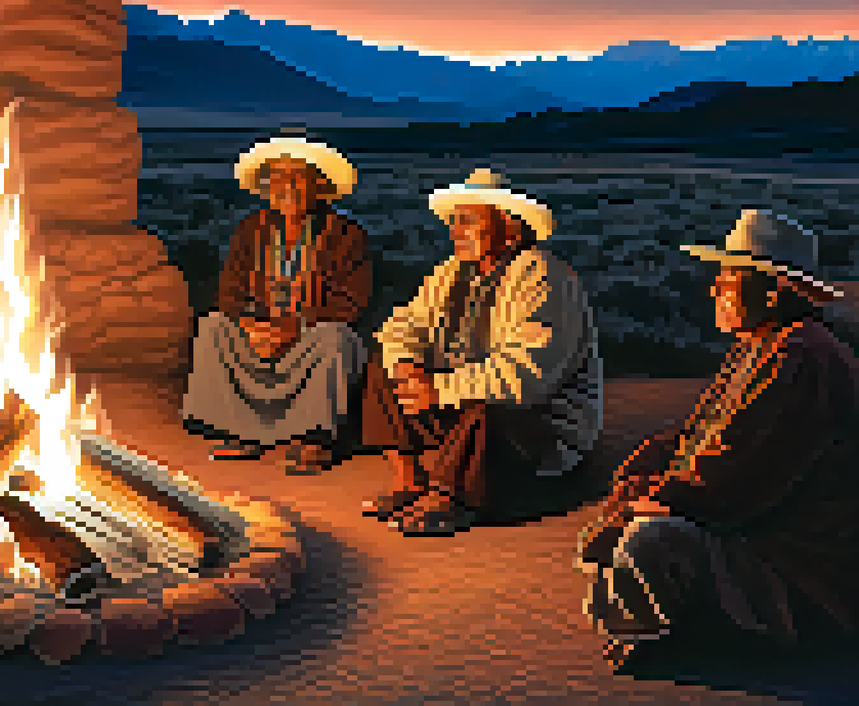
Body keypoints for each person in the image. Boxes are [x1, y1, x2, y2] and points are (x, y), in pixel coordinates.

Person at [576, 209, 859, 670]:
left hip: (799, 566)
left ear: (772, 290)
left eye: (728, 279)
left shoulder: (801, 358)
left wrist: (648, 496)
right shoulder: (764, 345)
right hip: (759, 532)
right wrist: (646, 471)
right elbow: (698, 436)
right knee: (630, 528)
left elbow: (729, 484)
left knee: (652, 540)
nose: (714, 289)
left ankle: (709, 639)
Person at [362, 167, 601, 535]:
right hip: (463, 401)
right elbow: (405, 324)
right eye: (454, 222)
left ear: (510, 227)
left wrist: (437, 389)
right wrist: (407, 364)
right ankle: (409, 479)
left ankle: (451, 496)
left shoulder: (543, 275)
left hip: (542, 423)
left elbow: (525, 378)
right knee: (386, 363)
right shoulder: (452, 272)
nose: (455, 231)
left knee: (489, 403)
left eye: (468, 221)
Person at [182, 135, 373, 475]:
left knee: (337, 341)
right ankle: (242, 431)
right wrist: (250, 324)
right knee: (213, 326)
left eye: (298, 177)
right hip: (258, 328)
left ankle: (314, 439)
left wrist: (295, 327)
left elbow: (352, 301)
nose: (287, 187)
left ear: (319, 186)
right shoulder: (251, 229)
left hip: (311, 333)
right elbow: (229, 290)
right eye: (278, 178)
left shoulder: (346, 233)